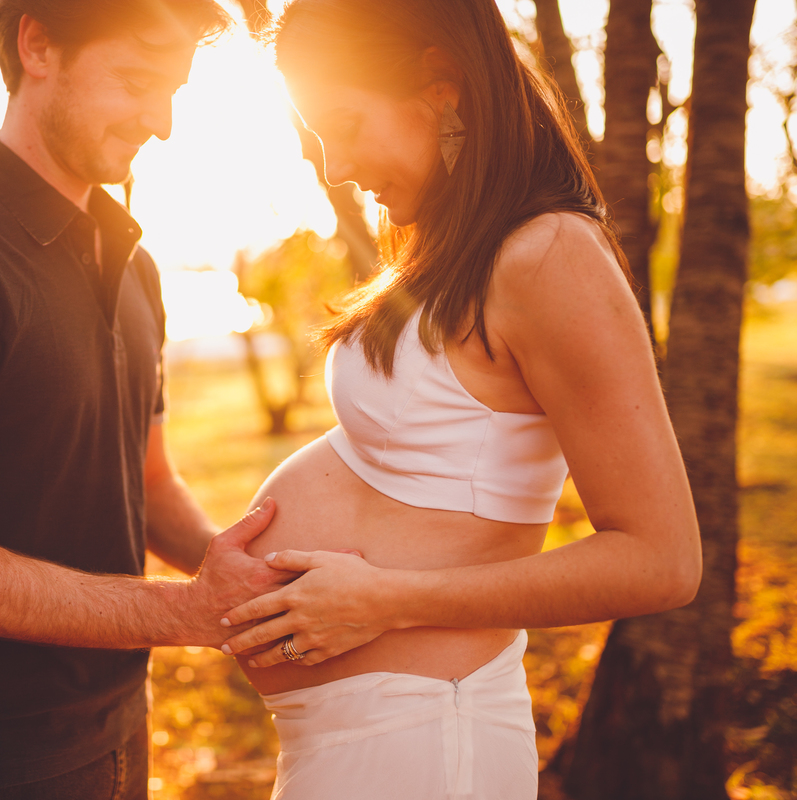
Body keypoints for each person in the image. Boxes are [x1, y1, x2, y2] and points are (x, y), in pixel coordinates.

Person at [216, 1, 703, 798]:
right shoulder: (452, 249)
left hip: (425, 738)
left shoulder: (547, 254)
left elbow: (663, 560)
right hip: (362, 737)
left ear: (441, 85)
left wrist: (385, 602)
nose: (335, 166)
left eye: (343, 123)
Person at [0, 2, 291, 798]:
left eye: (175, 90)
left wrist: (257, 589)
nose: (164, 122)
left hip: (119, 723)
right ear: (37, 43)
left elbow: (145, 486)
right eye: (140, 81)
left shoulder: (135, 265)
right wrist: (187, 614)